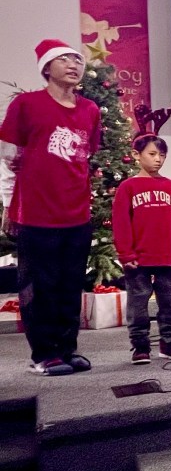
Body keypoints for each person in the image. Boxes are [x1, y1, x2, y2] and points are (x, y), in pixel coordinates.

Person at [0, 39, 101, 375]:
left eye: (78, 60)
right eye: (65, 60)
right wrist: (8, 203)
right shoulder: (27, 104)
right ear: (46, 68)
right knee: (40, 286)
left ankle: (68, 349)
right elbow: (8, 157)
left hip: (77, 213)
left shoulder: (90, 110)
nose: (74, 65)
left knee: (70, 284)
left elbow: (85, 155)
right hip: (37, 213)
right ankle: (43, 354)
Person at [112, 134, 171, 364]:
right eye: (152, 154)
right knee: (138, 302)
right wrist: (126, 253)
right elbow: (121, 223)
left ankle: (170, 342)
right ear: (136, 155)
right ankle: (140, 345)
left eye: (162, 155)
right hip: (138, 258)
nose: (158, 159)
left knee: (168, 302)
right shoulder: (128, 187)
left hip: (167, 256)